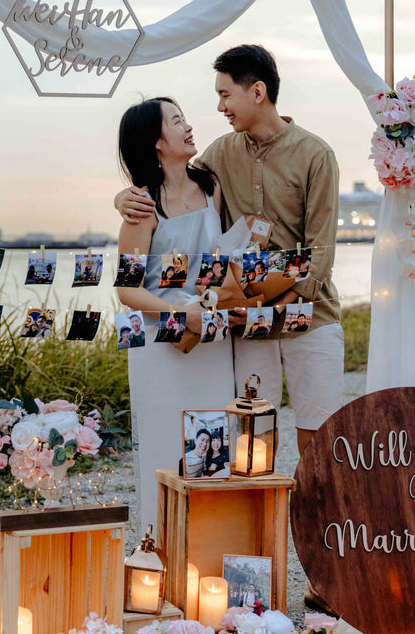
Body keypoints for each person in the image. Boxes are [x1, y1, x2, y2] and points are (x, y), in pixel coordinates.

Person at [116, 45, 345, 616]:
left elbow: (316, 258)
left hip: (296, 322)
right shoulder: (215, 161)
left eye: (222, 95)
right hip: (218, 338)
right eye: (180, 120)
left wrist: (239, 302)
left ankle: (326, 578)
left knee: (320, 452)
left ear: (256, 92)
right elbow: (130, 276)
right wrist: (124, 196)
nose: (209, 111)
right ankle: (224, 578)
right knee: (244, 456)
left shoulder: (312, 155)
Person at [115, 96, 238, 532]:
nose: (188, 127)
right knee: (165, 448)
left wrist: (216, 300)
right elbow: (127, 290)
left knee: (214, 444)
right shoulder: (142, 206)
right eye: (176, 121)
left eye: (185, 118)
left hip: (211, 339)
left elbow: (219, 258)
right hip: (160, 344)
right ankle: (159, 553)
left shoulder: (211, 187)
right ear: (155, 142)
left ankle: (210, 550)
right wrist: (180, 315)